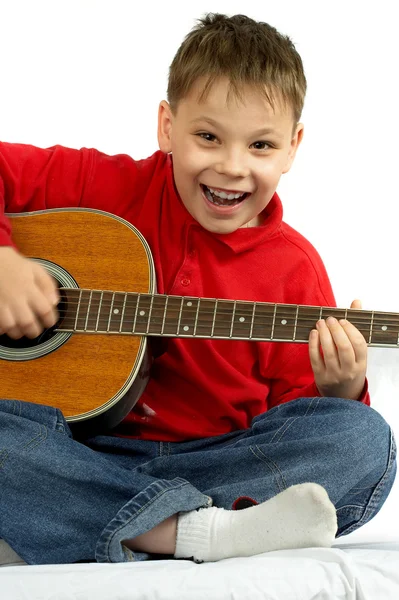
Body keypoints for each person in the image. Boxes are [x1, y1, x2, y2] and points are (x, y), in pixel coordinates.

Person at [0, 13, 396, 565]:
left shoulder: (294, 268)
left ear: (292, 147)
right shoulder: (103, 184)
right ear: (167, 125)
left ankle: (73, 522)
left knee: (362, 441)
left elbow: (298, 421)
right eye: (207, 137)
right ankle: (193, 534)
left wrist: (342, 387)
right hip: (69, 448)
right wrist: (4, 258)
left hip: (210, 462)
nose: (232, 166)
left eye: (260, 145)